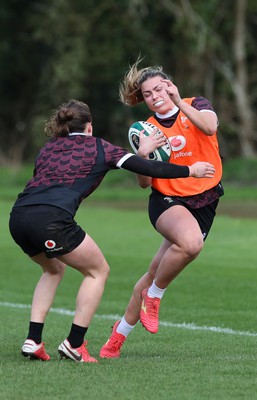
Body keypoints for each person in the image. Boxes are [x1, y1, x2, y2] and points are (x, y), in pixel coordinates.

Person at [9, 99, 215, 363]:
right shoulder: (100, 148)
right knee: (97, 271)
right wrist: (190, 170)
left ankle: (33, 340)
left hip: (18, 217)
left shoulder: (48, 147)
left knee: (52, 269)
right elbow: (149, 169)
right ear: (90, 127)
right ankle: (75, 344)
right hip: (51, 220)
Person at [100, 60, 224, 359]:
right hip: (167, 201)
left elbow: (209, 127)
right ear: (142, 99)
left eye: (160, 89)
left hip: (205, 200)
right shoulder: (144, 129)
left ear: (170, 86)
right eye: (147, 93)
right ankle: (154, 297)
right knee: (191, 244)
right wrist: (141, 155)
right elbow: (144, 183)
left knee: (154, 271)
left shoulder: (197, 104)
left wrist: (180, 101)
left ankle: (116, 338)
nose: (155, 96)